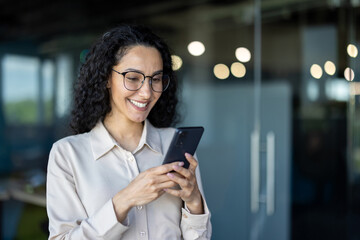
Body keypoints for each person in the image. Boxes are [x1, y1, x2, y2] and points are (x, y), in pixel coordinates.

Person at [46, 24, 212, 239]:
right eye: (133, 78)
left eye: (156, 79)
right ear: (106, 78)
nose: (146, 93)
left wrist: (194, 201)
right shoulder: (67, 154)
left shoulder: (175, 144)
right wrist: (125, 199)